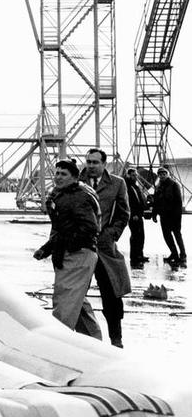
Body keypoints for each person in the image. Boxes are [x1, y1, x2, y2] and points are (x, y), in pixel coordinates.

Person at [34, 158, 102, 338]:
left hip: (77, 255)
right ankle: (94, 344)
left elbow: (90, 228)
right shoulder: (63, 194)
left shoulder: (78, 196)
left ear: (74, 177)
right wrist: (47, 249)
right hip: (72, 254)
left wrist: (65, 245)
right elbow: (64, 228)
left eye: (63, 174)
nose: (58, 177)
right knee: (77, 304)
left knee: (64, 305)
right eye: (57, 173)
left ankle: (58, 343)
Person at [80, 149, 130, 348]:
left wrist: (111, 234)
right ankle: (84, 340)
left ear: (104, 164)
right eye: (88, 162)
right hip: (81, 247)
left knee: (111, 294)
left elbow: (123, 214)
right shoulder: (77, 182)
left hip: (104, 248)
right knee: (76, 294)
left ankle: (116, 340)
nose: (91, 166)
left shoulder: (117, 183)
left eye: (95, 162)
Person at [151, 166, 186, 268]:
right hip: (164, 216)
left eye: (164, 174)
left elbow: (178, 202)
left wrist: (177, 216)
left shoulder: (174, 185)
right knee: (167, 236)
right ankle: (174, 253)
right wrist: (154, 214)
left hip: (174, 216)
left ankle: (183, 255)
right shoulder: (158, 186)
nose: (162, 176)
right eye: (160, 174)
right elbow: (156, 201)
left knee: (177, 235)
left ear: (167, 174)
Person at [125, 168, 149, 268]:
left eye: (136, 175)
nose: (135, 177)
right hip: (134, 215)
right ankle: (135, 256)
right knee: (136, 235)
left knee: (140, 235)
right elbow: (129, 202)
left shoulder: (134, 186)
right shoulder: (127, 187)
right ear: (128, 175)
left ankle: (139, 254)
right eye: (133, 175)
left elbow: (139, 199)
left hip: (138, 214)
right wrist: (133, 214)